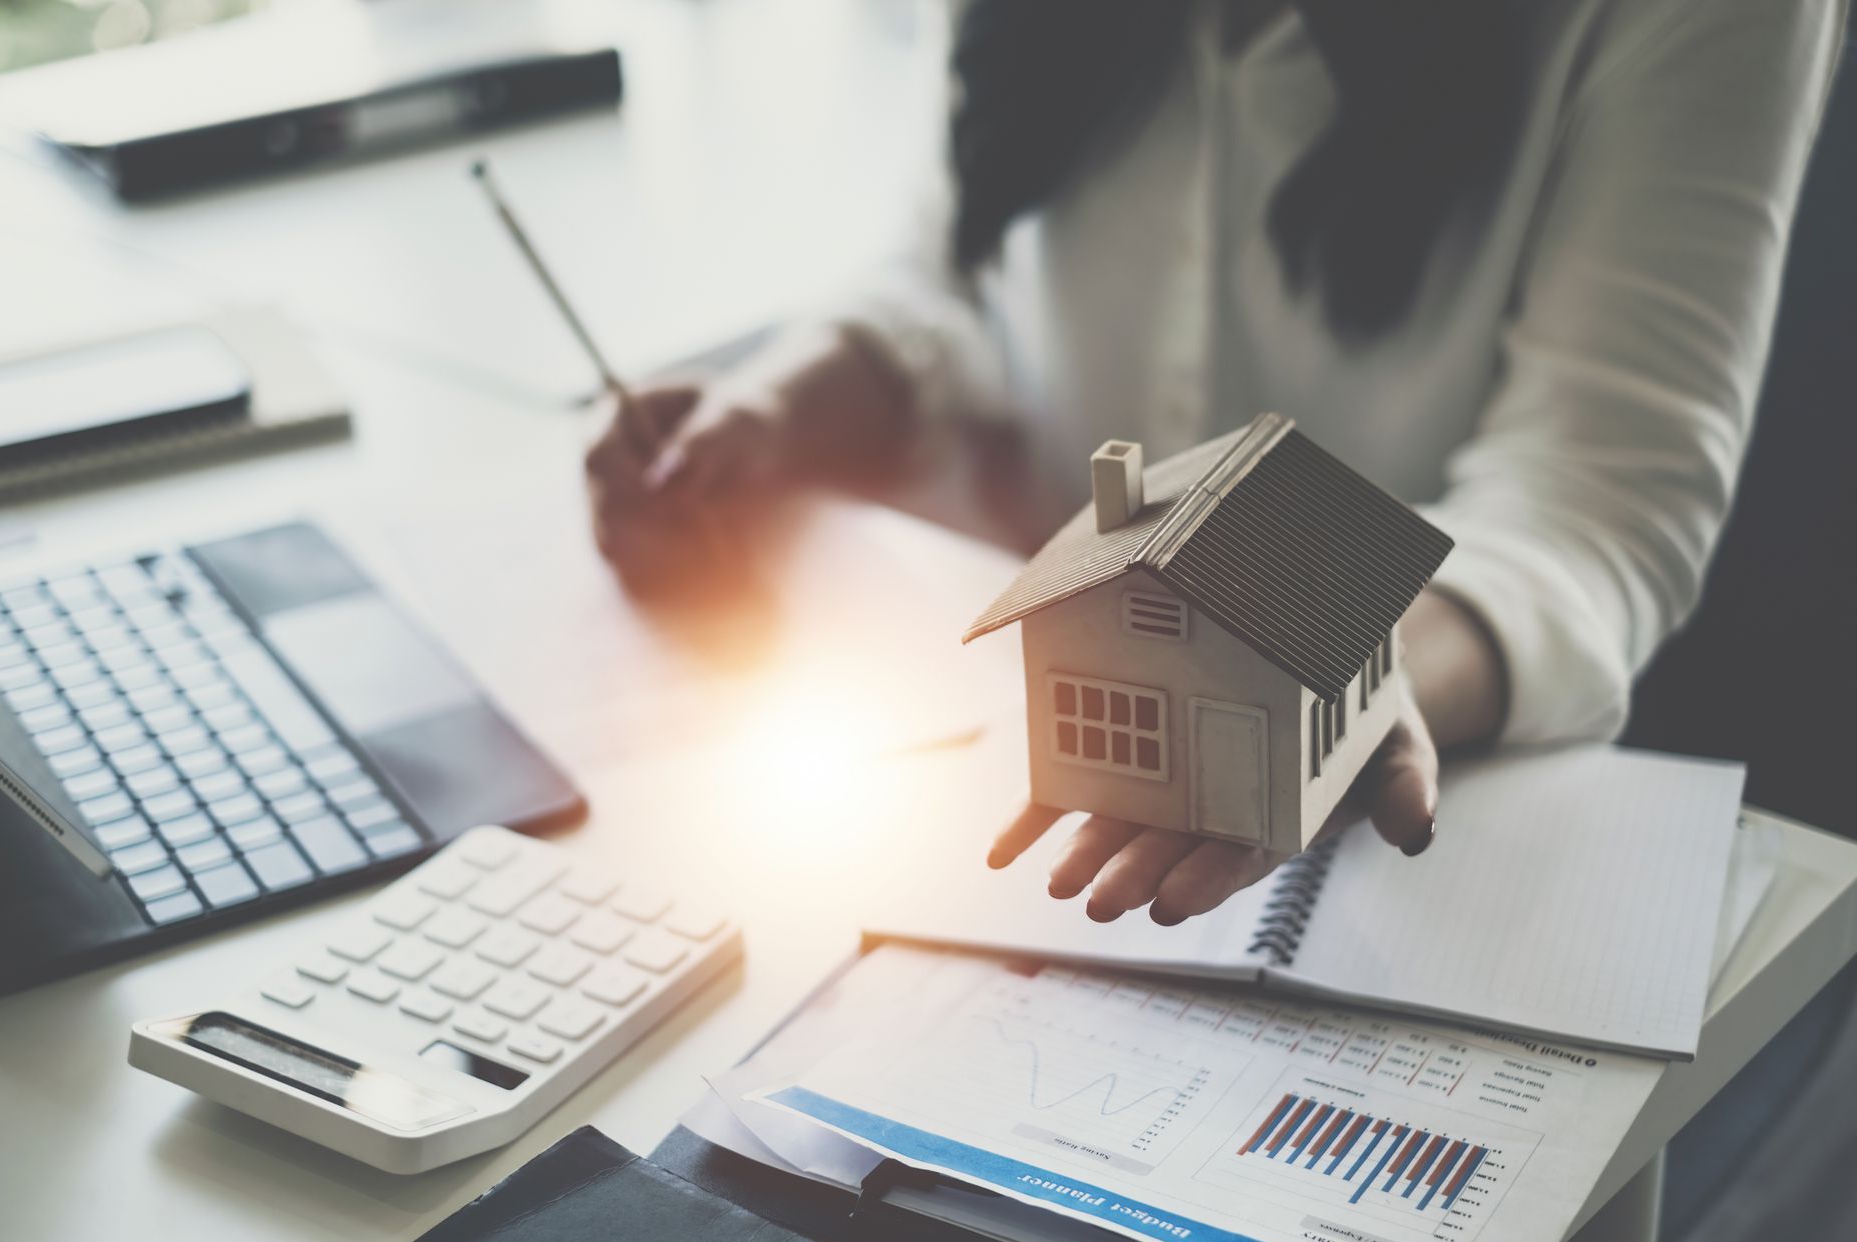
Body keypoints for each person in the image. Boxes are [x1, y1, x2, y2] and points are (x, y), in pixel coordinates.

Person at [586, 0, 1845, 926]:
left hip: (1468, 841)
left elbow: (1594, 500)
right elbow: (960, 254)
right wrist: (790, 406)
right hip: (975, 815)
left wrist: (1368, 660)